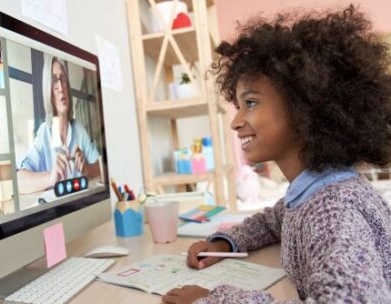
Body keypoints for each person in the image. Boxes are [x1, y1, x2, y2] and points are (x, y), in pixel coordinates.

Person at [162, 5, 391, 304]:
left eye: (251, 103)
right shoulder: (314, 191)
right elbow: (274, 220)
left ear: (304, 109)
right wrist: (224, 243)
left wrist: (216, 300)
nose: (236, 122)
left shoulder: (333, 211)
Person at [17, 55, 101, 194]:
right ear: (48, 90)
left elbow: (101, 166)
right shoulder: (45, 132)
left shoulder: (78, 129)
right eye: (54, 81)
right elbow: (19, 182)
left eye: (63, 79)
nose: (61, 87)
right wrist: (50, 177)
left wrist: (87, 169)